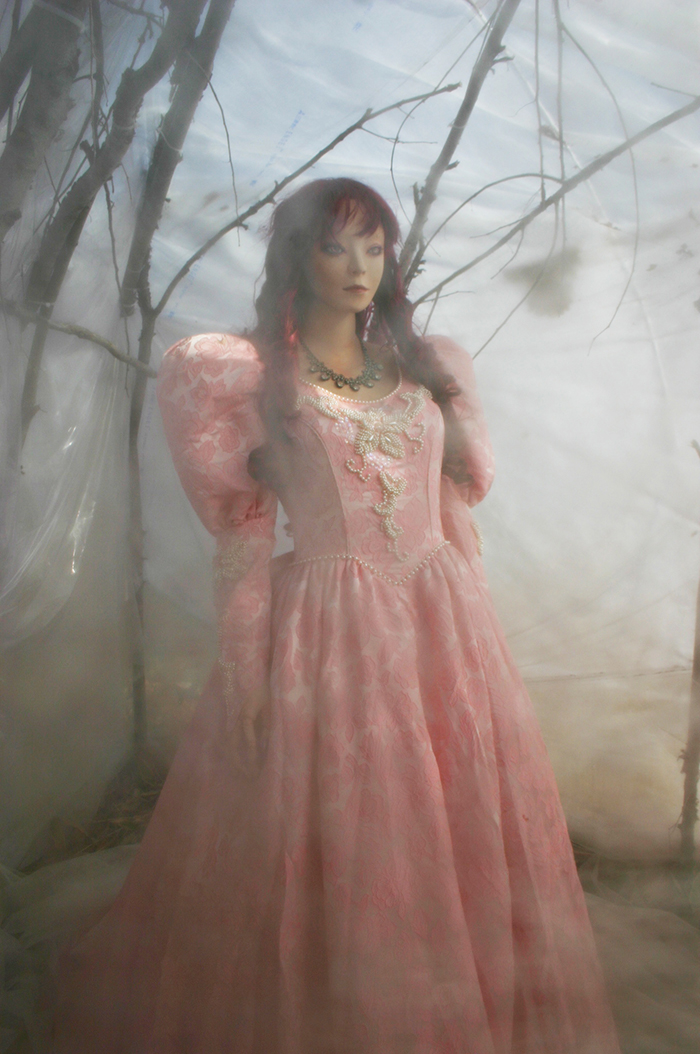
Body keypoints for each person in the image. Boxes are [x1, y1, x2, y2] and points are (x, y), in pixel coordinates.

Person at [52, 177, 620, 1053]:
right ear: (297, 256)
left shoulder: (427, 367)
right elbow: (243, 535)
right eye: (334, 245)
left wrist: (475, 644)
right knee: (361, 831)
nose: (359, 265)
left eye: (374, 246)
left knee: (459, 810)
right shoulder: (243, 378)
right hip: (332, 633)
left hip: (441, 621)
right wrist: (246, 671)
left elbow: (453, 511)